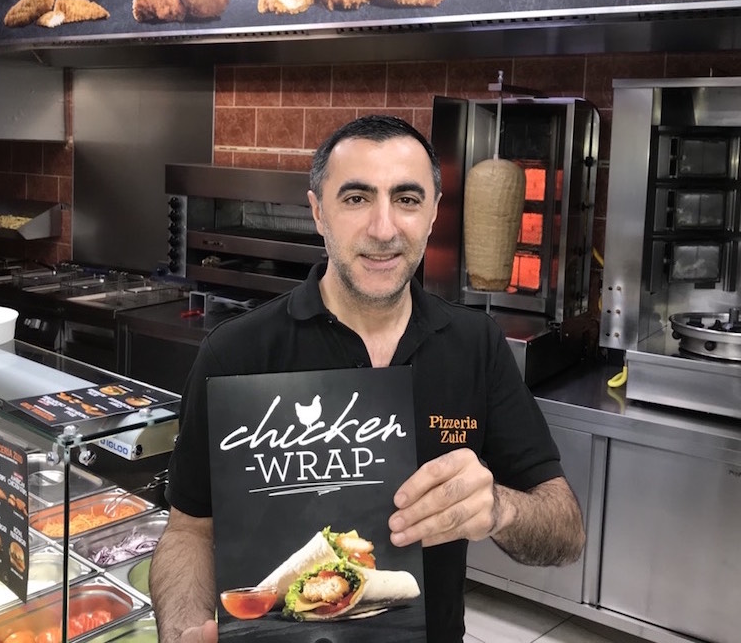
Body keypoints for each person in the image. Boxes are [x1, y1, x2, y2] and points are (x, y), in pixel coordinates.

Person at [150, 115, 586, 643]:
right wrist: (183, 628)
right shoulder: (235, 352)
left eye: (407, 199)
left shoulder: (475, 345)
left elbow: (565, 532)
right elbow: (188, 531)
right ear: (318, 212)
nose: (383, 229)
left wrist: (498, 508)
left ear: (433, 214)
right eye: (356, 198)